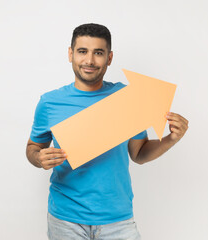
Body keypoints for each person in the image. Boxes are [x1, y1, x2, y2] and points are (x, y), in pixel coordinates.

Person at [26, 23, 189, 240]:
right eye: (82, 51)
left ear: (109, 58)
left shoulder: (127, 98)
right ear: (70, 54)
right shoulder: (49, 103)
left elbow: (139, 154)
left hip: (118, 220)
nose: (90, 61)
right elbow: (33, 148)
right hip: (65, 218)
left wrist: (171, 139)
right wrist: (38, 157)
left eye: (98, 53)